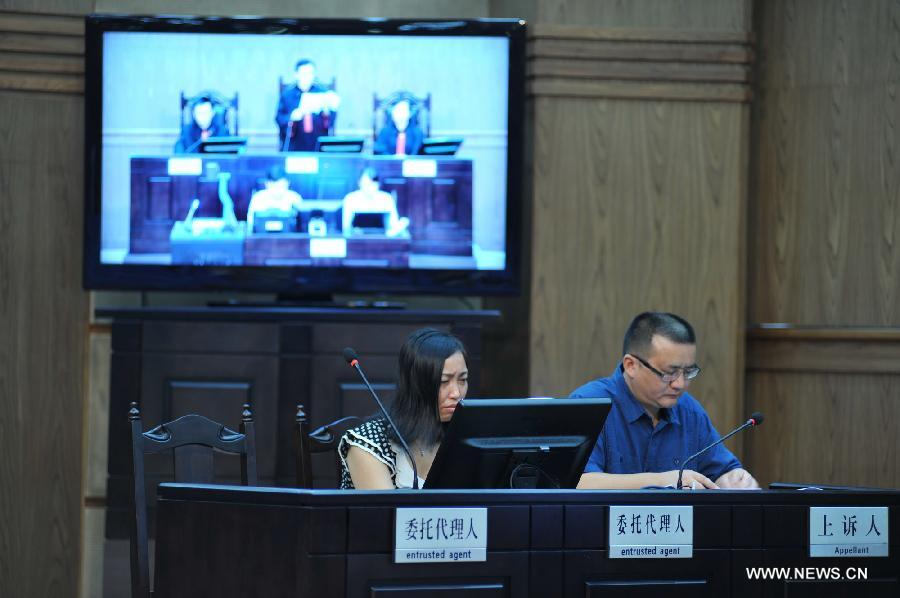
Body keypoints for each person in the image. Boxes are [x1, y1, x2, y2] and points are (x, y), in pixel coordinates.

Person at [571, 312, 759, 490]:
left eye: (688, 372)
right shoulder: (588, 405)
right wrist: (663, 480)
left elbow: (720, 470)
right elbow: (576, 482)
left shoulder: (689, 411)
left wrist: (733, 478)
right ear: (631, 366)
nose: (680, 384)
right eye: (670, 373)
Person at [338, 328, 469, 489]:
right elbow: (386, 514)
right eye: (443, 381)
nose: (456, 393)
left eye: (462, 380)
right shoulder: (369, 443)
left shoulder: (465, 437)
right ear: (415, 385)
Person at [275, 59, 340, 152]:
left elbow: (331, 120)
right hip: (295, 143)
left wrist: (326, 113)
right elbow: (279, 118)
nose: (308, 77)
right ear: (296, 75)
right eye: (304, 74)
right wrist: (291, 117)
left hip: (318, 142)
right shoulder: (287, 95)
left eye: (310, 73)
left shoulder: (323, 93)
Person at [341, 167, 409, 236]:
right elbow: (346, 227)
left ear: (378, 184)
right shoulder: (350, 199)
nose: (369, 187)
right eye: (366, 183)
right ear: (359, 183)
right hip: (357, 239)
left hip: (383, 239)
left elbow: (393, 225)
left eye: (373, 184)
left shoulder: (387, 198)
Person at [245, 165, 303, 233]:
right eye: (273, 186)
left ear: (287, 183)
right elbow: (250, 223)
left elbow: (301, 227)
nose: (277, 190)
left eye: (281, 186)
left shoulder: (295, 198)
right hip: (262, 238)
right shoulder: (258, 198)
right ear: (266, 184)